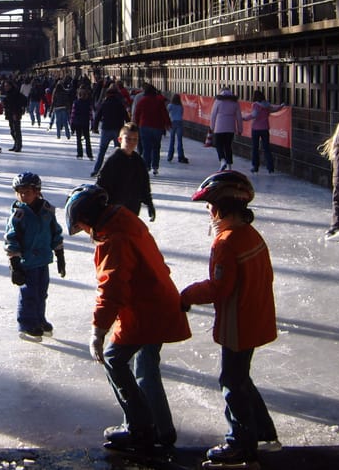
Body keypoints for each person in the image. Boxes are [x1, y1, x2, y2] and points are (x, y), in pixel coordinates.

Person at [63, 184, 190, 456]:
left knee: (114, 359)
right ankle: (161, 430)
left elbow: (112, 288)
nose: (86, 232)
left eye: (84, 226)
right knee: (146, 367)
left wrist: (98, 332)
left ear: (90, 217)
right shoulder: (126, 221)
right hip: (158, 302)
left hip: (147, 310)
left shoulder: (114, 238)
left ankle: (139, 428)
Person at [180, 171, 279, 466]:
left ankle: (240, 444)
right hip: (256, 316)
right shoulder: (250, 234)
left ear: (224, 206)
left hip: (239, 323)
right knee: (241, 377)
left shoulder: (226, 242)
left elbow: (219, 287)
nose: (208, 211)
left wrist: (186, 295)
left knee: (232, 381)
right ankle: (262, 430)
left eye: (211, 205)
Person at [4, 172, 65, 341]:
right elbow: (11, 239)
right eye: (20, 192)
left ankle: (39, 318)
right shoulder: (18, 216)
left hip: (43, 260)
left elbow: (55, 232)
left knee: (41, 292)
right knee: (29, 293)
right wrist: (15, 264)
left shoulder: (46, 210)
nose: (24, 196)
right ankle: (26, 323)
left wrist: (60, 255)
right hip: (27, 262)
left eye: (28, 192)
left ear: (37, 191)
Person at [95, 123, 156, 222]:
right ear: (120, 140)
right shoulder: (113, 160)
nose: (131, 143)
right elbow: (101, 184)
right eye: (128, 139)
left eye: (135, 139)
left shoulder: (138, 161)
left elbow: (144, 185)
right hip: (114, 212)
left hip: (133, 210)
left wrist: (149, 203)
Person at [242, 90, 285, 174]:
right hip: (265, 128)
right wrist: (282, 105)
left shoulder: (255, 105)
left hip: (256, 129)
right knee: (267, 148)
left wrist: (244, 118)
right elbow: (275, 108)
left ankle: (255, 166)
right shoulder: (267, 105)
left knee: (255, 148)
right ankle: (270, 167)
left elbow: (254, 115)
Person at [91, 84, 130, 177]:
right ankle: (121, 171)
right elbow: (126, 116)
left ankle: (96, 170)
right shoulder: (120, 104)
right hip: (118, 129)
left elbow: (97, 116)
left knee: (102, 151)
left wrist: (95, 127)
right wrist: (129, 127)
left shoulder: (104, 104)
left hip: (106, 128)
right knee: (119, 152)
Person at [132, 84, 171, 176]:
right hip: (157, 127)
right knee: (156, 147)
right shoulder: (159, 101)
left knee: (146, 148)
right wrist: (168, 123)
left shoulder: (142, 101)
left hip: (144, 126)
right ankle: (155, 166)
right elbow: (164, 113)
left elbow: (137, 113)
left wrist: (136, 124)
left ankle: (146, 166)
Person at [209, 88, 243, 171]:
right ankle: (229, 165)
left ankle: (222, 160)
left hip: (219, 127)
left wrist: (212, 127)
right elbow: (239, 117)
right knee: (228, 146)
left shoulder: (218, 101)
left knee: (218, 145)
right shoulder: (235, 102)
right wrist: (240, 129)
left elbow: (213, 115)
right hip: (230, 127)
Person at [2, 80, 28, 152]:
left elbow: (23, 101)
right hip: (10, 114)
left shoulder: (16, 93)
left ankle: (18, 146)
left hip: (15, 114)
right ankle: (16, 144)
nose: (5, 87)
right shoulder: (8, 93)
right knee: (12, 131)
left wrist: (17, 112)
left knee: (16, 130)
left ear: (10, 86)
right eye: (5, 86)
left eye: (7, 86)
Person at [70, 85, 95, 161]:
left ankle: (79, 154)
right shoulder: (88, 103)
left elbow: (73, 114)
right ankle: (89, 154)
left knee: (78, 139)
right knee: (87, 139)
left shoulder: (76, 102)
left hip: (77, 122)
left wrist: (71, 123)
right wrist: (92, 123)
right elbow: (90, 114)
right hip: (85, 122)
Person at [166, 93, 189, 164]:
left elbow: (167, 113)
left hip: (172, 122)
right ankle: (180, 156)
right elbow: (181, 114)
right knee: (179, 140)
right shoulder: (180, 106)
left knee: (172, 140)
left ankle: (170, 156)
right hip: (179, 122)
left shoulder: (170, 106)